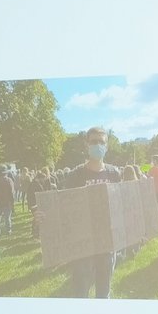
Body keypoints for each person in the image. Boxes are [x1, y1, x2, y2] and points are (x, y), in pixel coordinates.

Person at [64, 127, 122, 298]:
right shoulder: (75, 175)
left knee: (104, 292)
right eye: (93, 141)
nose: (98, 145)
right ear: (86, 144)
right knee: (80, 292)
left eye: (101, 142)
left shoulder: (114, 173)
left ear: (107, 146)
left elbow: (120, 206)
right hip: (83, 244)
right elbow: (64, 208)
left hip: (107, 243)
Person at [0, 167, 14, 238]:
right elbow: (12, 193)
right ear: (6, 172)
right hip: (7, 201)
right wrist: (12, 202)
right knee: (7, 217)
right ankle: (8, 231)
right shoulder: (9, 180)